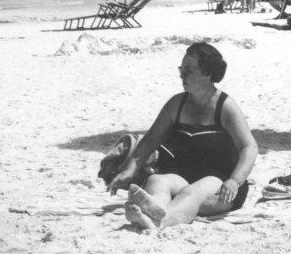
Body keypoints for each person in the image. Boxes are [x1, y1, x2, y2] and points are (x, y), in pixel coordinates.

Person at [107, 42, 257, 231]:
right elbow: (149, 141)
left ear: (207, 73)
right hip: (185, 176)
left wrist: (235, 180)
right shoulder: (176, 104)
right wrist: (129, 170)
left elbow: (249, 147)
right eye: (181, 69)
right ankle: (156, 210)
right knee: (157, 181)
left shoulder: (225, 107)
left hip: (222, 183)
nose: (181, 75)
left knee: (192, 192)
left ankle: (160, 220)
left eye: (188, 70)